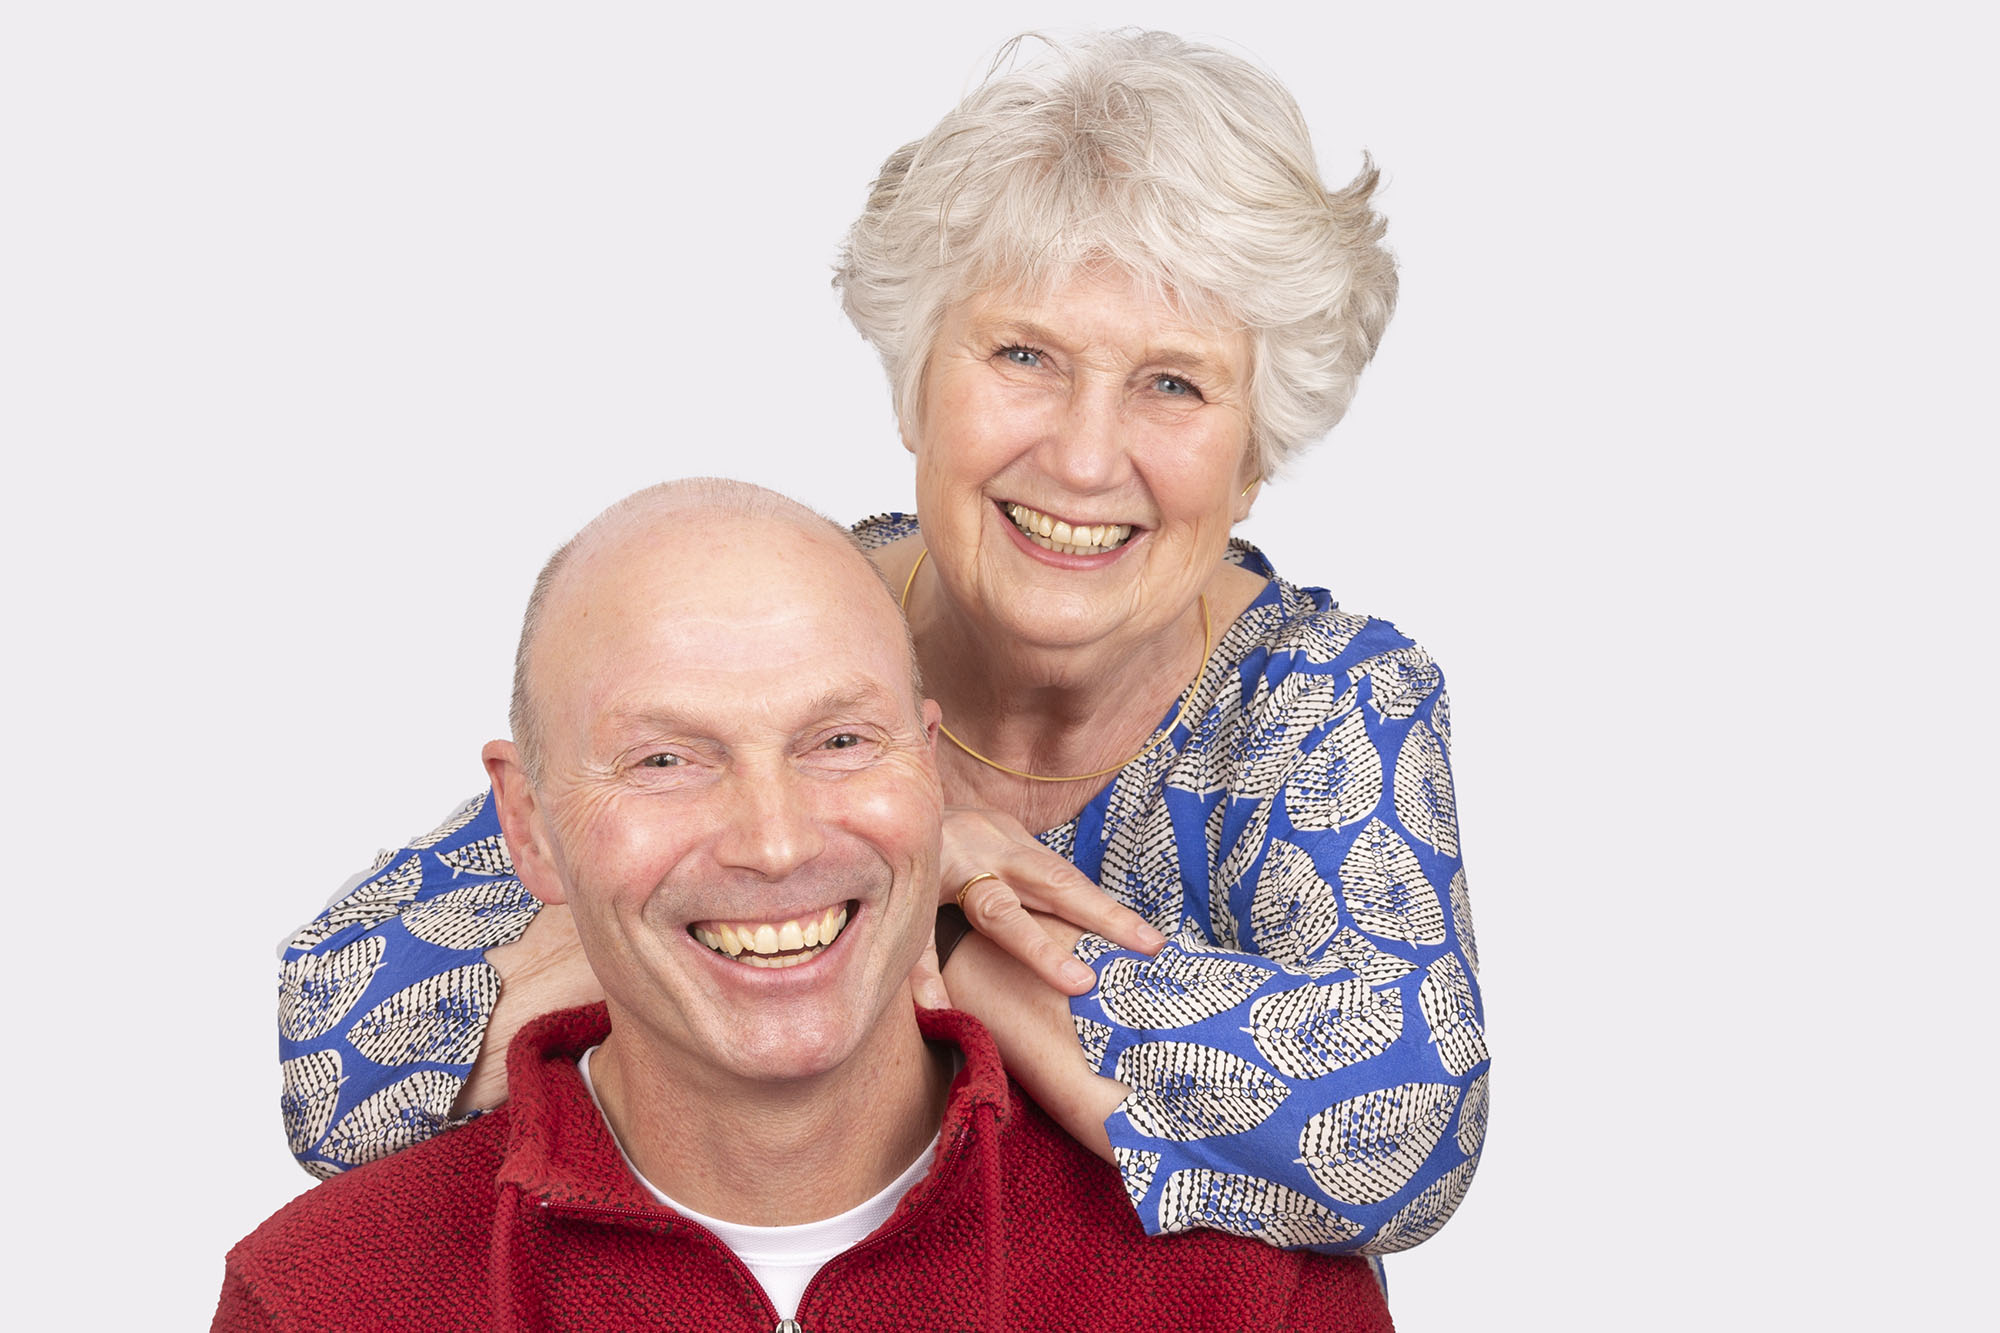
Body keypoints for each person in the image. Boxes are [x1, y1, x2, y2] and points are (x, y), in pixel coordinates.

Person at [277, 29, 1487, 1255]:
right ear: (915, 386)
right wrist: (879, 894)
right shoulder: (789, 625)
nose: (1082, 456)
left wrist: (924, 917)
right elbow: (339, 1054)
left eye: (1172, 383)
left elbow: (1400, 1131)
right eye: (1023, 355)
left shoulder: (1318, 700)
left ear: (1256, 452)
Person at [221, 480, 1394, 1331]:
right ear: (526, 825)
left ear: (933, 775)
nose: (775, 842)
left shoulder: (1253, 1296)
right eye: (665, 760)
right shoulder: (317, 1300)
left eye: (838, 740)